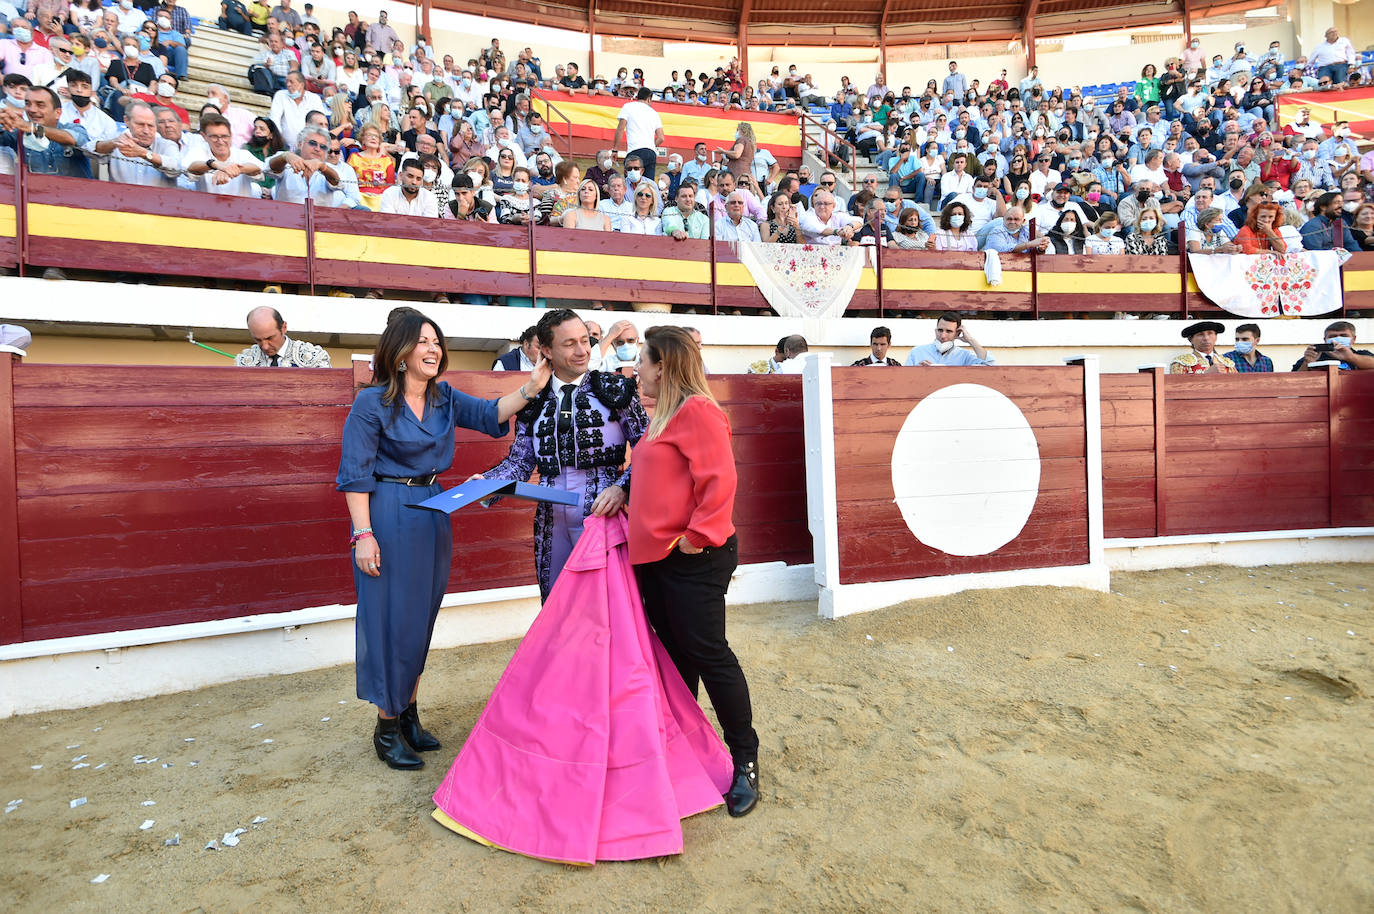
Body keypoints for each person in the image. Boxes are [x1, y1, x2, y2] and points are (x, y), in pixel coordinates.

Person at [337, 311, 549, 770]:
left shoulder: (443, 396)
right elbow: (354, 475)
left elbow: (491, 414)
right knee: (390, 620)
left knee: (419, 617)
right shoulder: (370, 403)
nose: (433, 349)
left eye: (437, 341)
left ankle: (408, 713)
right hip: (387, 511)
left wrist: (532, 385)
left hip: (434, 508)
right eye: (423, 342)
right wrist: (363, 534)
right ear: (399, 351)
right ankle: (386, 725)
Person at [630, 325, 759, 818]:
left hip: (691, 557)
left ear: (662, 366)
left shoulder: (697, 411)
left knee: (707, 654)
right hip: (658, 559)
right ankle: (688, 754)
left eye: (642, 359)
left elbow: (721, 481)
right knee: (677, 659)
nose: (637, 367)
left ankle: (744, 762)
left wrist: (695, 537)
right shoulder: (663, 414)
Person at [478, 309, 649, 599]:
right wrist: (485, 483)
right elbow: (519, 462)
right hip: (551, 517)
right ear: (546, 350)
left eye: (585, 340)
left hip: (603, 512)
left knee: (605, 604)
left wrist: (623, 488)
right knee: (557, 602)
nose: (582, 351)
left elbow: (648, 447)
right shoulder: (533, 401)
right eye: (569, 344)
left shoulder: (616, 388)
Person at [0, 85, 90, 177]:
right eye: (28, 104)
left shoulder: (75, 129)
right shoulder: (20, 132)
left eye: (40, 105)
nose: (32, 110)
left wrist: (33, 128)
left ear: (57, 113)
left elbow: (74, 139)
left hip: (77, 190)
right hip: (36, 190)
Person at [234, 306, 331, 367]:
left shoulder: (314, 358)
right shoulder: (244, 361)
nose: (265, 346)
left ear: (283, 327)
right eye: (258, 339)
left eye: (270, 338)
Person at [903, 312, 992, 366]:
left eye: (948, 331)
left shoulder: (965, 355)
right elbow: (904, 379)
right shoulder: (917, 352)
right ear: (935, 330)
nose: (943, 336)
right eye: (940, 330)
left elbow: (989, 366)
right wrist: (915, 371)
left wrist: (970, 340)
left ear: (957, 333)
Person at [612, 86, 664, 179]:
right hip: (651, 152)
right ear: (649, 99)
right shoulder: (654, 113)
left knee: (631, 185)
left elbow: (620, 128)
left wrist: (615, 149)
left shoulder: (628, 106)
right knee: (648, 187)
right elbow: (661, 138)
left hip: (635, 151)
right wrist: (650, 145)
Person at [1292, 321, 1374, 372]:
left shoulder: (1363, 355)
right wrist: (1307, 363)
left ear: (1353, 339)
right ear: (1325, 339)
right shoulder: (1313, 357)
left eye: (1343, 335)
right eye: (1332, 336)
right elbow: (1292, 381)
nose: (1337, 339)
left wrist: (1351, 357)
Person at [1169, 321, 1237, 374]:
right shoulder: (1180, 363)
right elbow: (1178, 388)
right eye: (1200, 335)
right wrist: (1206, 374)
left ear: (1216, 337)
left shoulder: (1227, 363)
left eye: (1210, 333)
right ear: (1190, 340)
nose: (1206, 338)